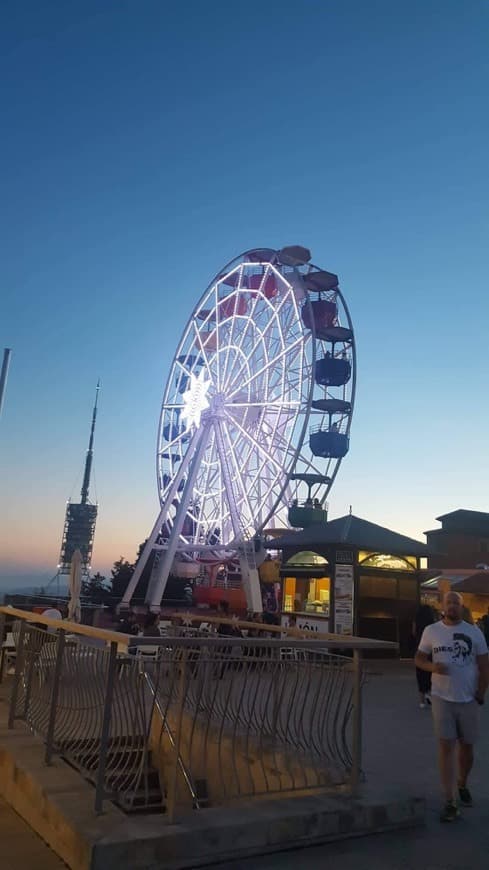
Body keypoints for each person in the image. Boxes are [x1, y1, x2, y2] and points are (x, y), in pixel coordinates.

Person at [415, 591, 489, 822]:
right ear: (442, 606)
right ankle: (449, 800)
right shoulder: (432, 631)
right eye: (449, 603)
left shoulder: (473, 632)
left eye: (456, 603)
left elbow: (485, 665)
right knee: (446, 747)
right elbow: (419, 658)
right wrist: (432, 668)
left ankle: (462, 783)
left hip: (467, 699)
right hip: (441, 698)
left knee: (467, 748)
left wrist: (481, 692)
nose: (453, 606)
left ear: (461, 607)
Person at [412, 604, 435, 708]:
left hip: (419, 647)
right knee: (430, 672)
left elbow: (413, 633)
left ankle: (421, 701)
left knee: (420, 673)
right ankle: (429, 693)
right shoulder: (432, 624)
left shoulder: (416, 621)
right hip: (431, 650)